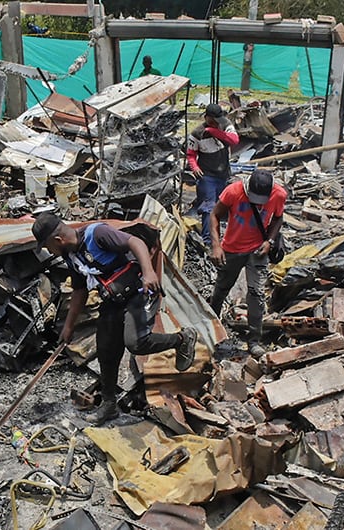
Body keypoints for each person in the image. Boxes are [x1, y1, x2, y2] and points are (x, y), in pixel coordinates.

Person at [32, 212, 198, 425]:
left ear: (58, 240)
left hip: (140, 291)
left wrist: (148, 272)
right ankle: (109, 405)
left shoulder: (97, 234)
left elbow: (134, 241)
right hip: (114, 299)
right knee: (106, 349)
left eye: (47, 246)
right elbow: (80, 290)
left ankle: (182, 339)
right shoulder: (71, 256)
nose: (49, 251)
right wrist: (69, 326)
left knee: (136, 342)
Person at [207, 169, 287, 358]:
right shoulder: (233, 191)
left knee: (257, 294)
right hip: (232, 248)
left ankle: (254, 341)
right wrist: (216, 246)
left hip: (258, 250)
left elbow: (278, 218)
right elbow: (214, 215)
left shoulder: (279, 194)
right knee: (221, 289)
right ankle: (210, 330)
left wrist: (270, 241)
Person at [187, 103, 240, 245]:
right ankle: (208, 240)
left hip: (223, 174)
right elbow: (191, 154)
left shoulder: (226, 125)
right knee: (208, 207)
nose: (218, 123)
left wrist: (214, 131)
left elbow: (234, 140)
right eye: (214, 121)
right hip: (206, 176)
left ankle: (221, 236)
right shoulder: (197, 133)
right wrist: (194, 167)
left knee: (221, 206)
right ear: (207, 118)